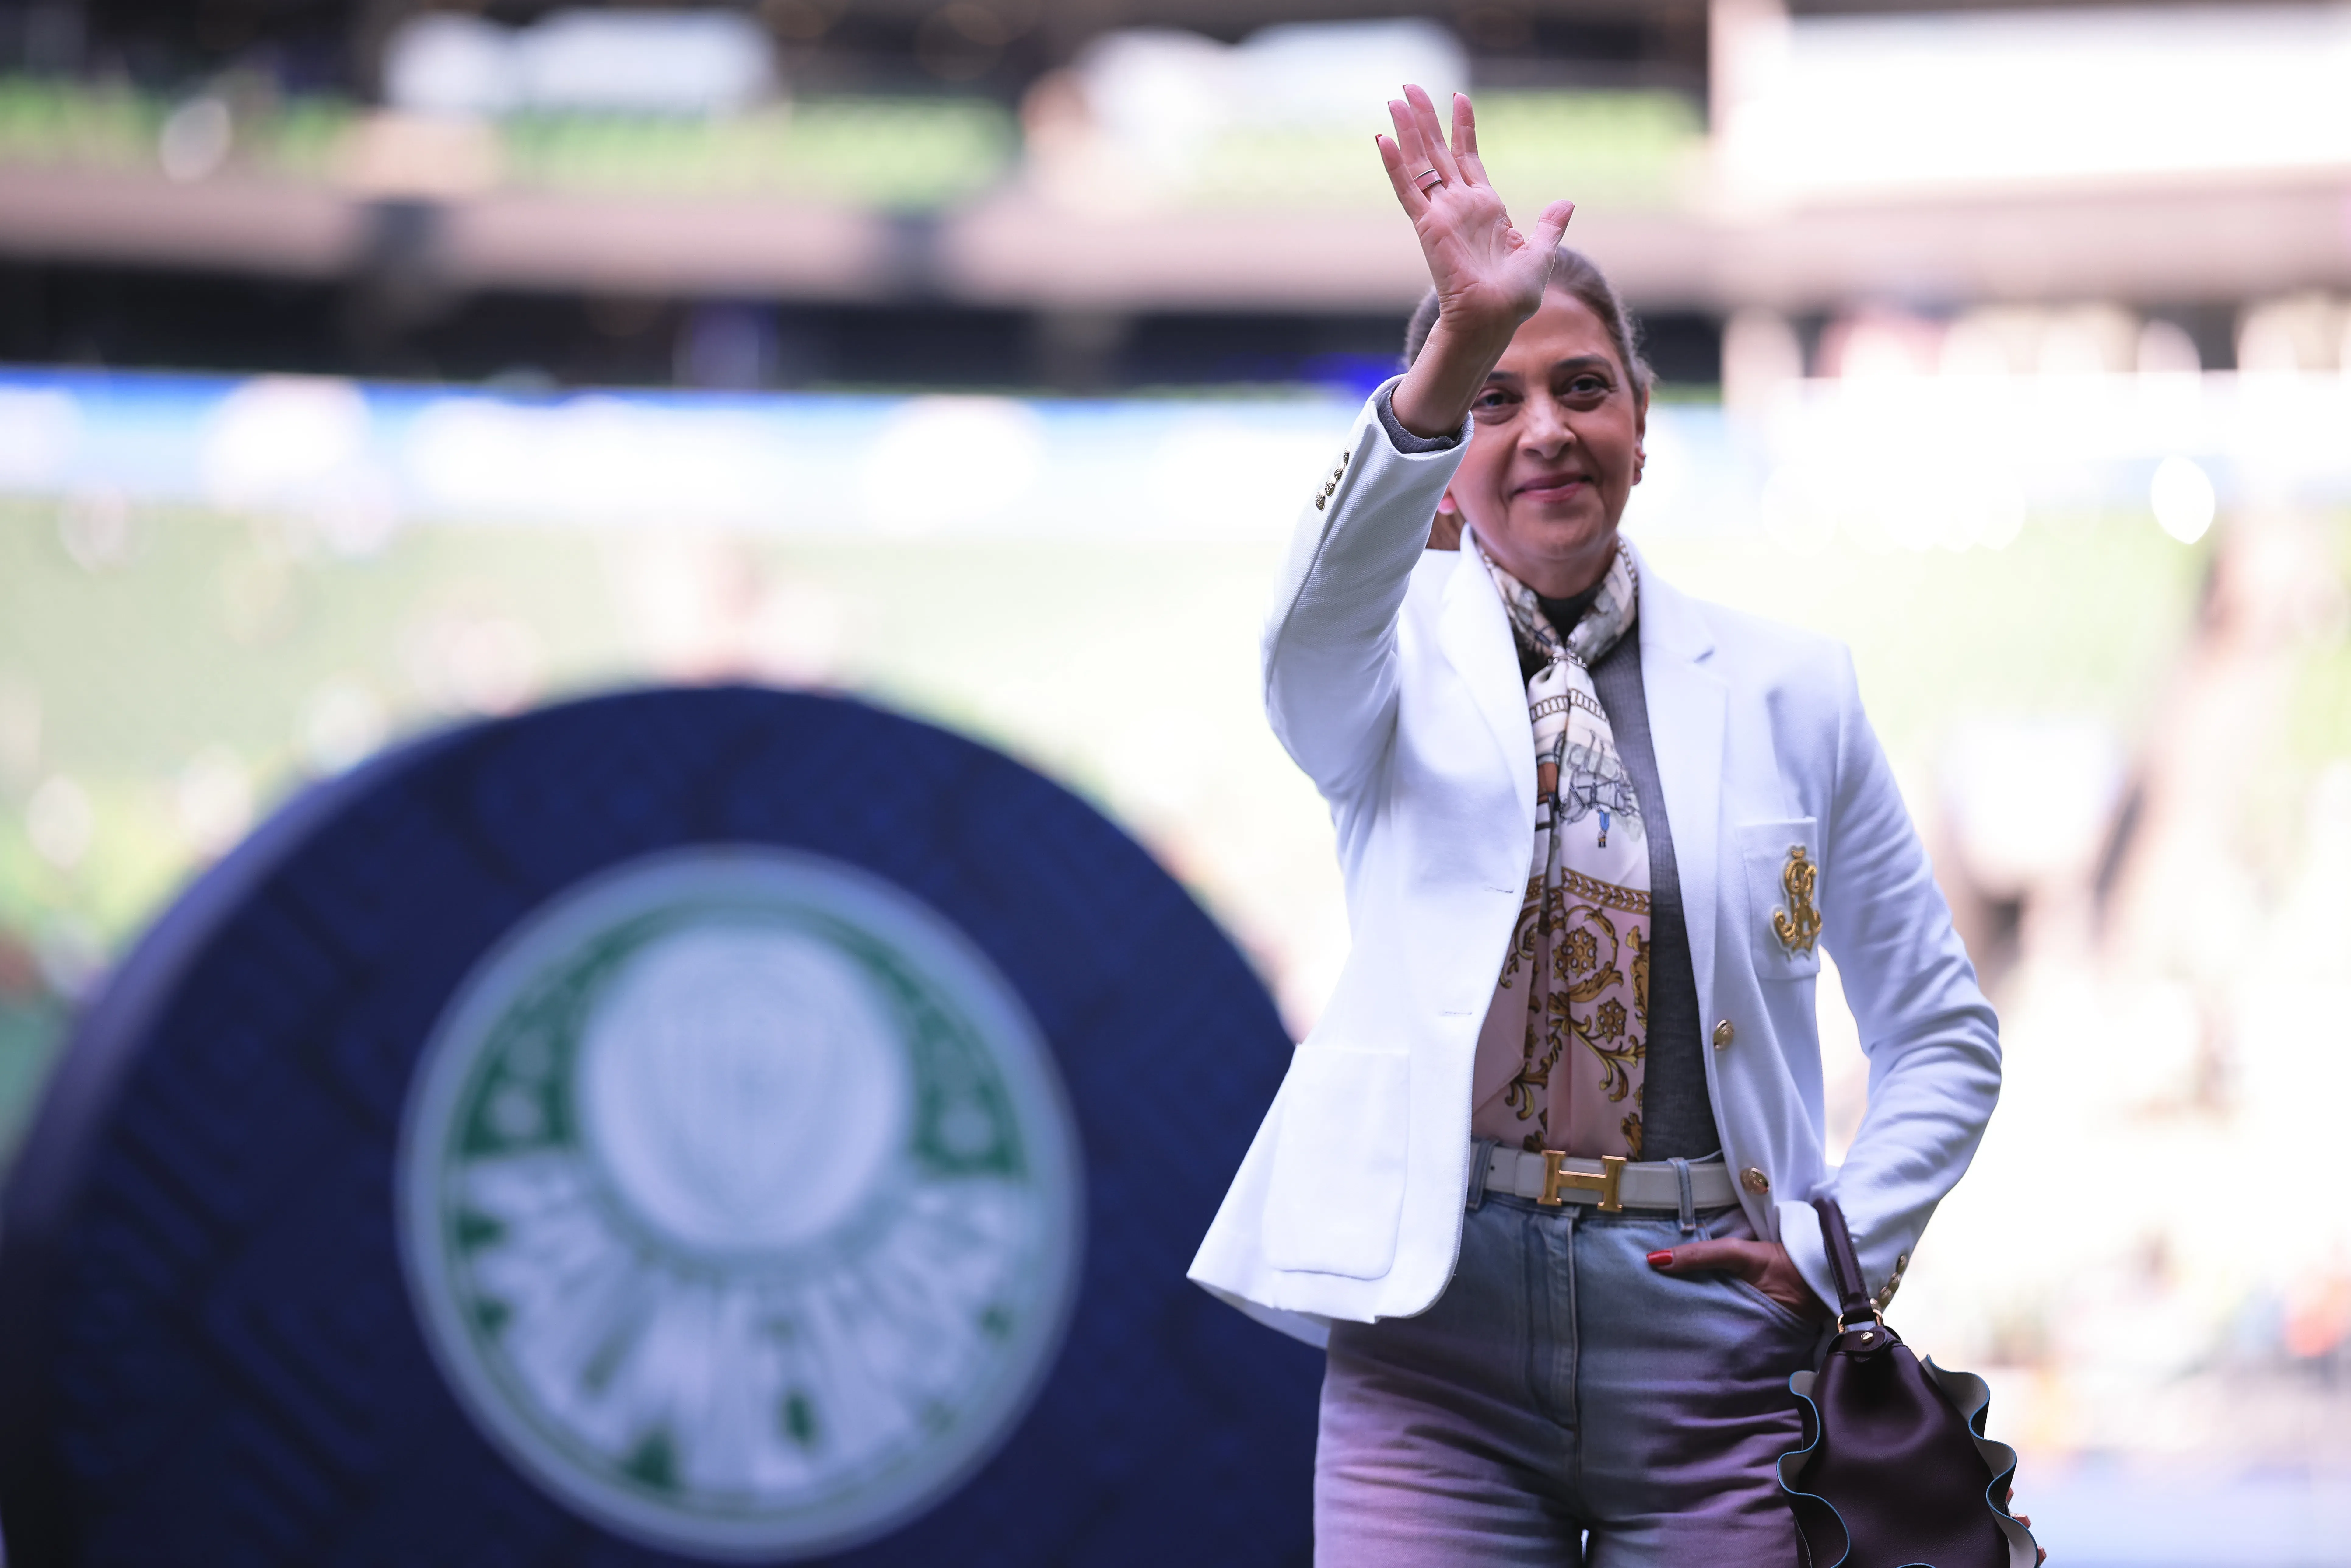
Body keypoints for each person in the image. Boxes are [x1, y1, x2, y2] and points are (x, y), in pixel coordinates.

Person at [1187, 86, 2005, 1564]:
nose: (1544, 429)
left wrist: (1834, 1252)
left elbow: (1941, 1037)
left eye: (1581, 387)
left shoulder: (1788, 688)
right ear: (1446, 460)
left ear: (1640, 420)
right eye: (1495, 398)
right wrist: (1446, 355)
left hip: (1717, 1338)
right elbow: (1300, 643)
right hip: (1427, 1329)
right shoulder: (1378, 672)